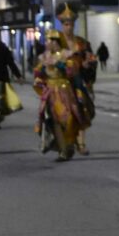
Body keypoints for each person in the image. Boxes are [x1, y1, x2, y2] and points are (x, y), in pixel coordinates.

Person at [33, 29, 85, 161]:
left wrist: (60, 64)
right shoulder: (43, 57)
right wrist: (39, 74)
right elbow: (39, 75)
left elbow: (72, 73)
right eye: (47, 40)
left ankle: (70, 144)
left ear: (56, 42)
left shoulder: (66, 55)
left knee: (68, 119)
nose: (47, 43)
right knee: (53, 120)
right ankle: (62, 149)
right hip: (50, 92)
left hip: (64, 91)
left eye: (50, 40)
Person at [57, 3, 96, 154]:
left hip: (78, 82)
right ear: (62, 25)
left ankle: (81, 143)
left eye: (71, 24)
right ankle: (67, 142)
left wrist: (87, 65)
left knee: (81, 111)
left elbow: (92, 59)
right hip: (60, 85)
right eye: (66, 24)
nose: (69, 27)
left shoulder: (82, 43)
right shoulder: (56, 43)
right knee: (63, 115)